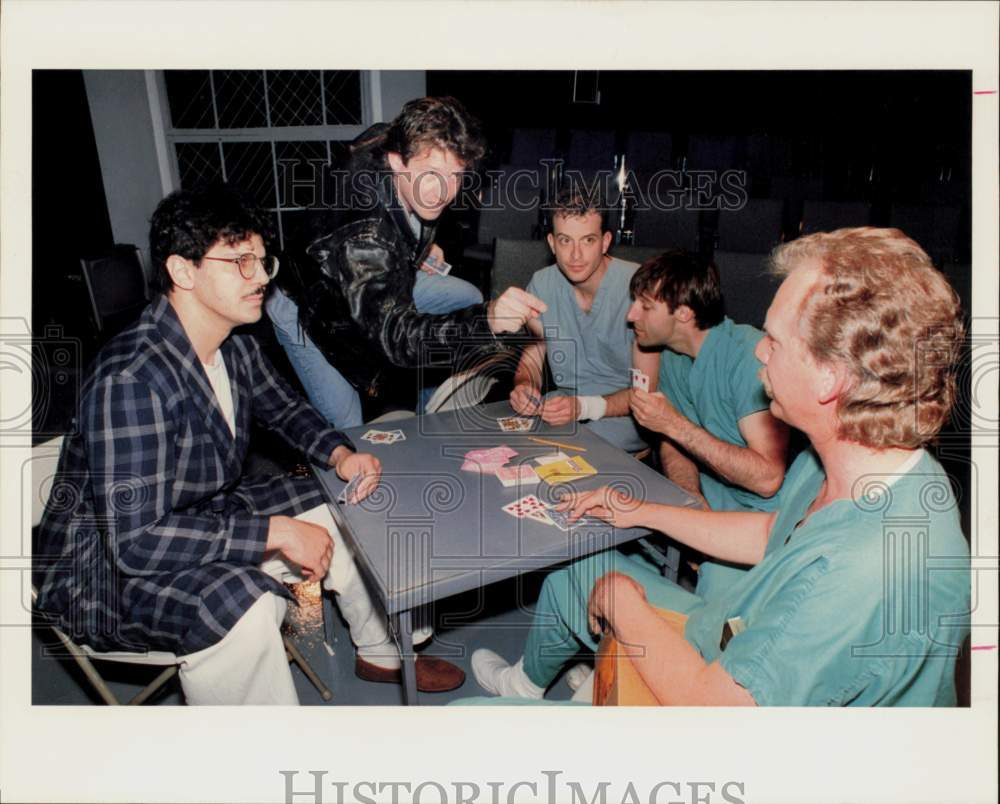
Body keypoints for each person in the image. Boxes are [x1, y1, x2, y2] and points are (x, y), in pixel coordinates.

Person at [467, 227, 970, 706]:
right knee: (578, 569)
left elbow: (716, 709)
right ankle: (533, 686)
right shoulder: (854, 459)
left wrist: (624, 604)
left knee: (471, 727)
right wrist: (640, 510)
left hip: (730, 725)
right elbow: (773, 533)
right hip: (733, 634)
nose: (758, 350)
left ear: (829, 379)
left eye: (774, 341)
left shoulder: (865, 567)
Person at [33, 186, 464, 704]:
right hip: (105, 570)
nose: (261, 276)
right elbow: (137, 542)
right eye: (240, 261)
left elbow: (285, 409)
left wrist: (340, 454)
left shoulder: (232, 343)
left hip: (198, 514)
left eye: (262, 260)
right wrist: (276, 532)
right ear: (183, 271)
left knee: (349, 504)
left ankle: (380, 651)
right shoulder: (131, 379)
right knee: (246, 606)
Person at [268, 96, 546, 428]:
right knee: (350, 430)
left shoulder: (396, 139)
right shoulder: (366, 236)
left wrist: (419, 246)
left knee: (466, 296)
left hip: (362, 269)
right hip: (309, 309)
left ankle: (429, 412)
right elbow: (395, 339)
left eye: (455, 176)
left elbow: (375, 137)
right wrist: (486, 322)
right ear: (397, 162)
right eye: (430, 174)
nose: (442, 191)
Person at [625, 251, 789, 599]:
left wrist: (673, 424)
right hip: (715, 505)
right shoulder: (672, 356)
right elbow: (670, 440)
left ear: (683, 313)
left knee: (718, 615)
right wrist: (691, 497)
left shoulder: (746, 355)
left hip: (767, 518)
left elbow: (767, 479)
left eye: (645, 306)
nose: (631, 315)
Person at [508, 190, 659, 452]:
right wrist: (525, 385)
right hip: (564, 407)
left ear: (605, 242)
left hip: (625, 415)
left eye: (588, 240)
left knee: (561, 453)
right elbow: (532, 357)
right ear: (552, 243)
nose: (575, 255)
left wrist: (584, 407)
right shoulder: (542, 284)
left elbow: (646, 392)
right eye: (565, 241)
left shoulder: (638, 288)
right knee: (509, 442)